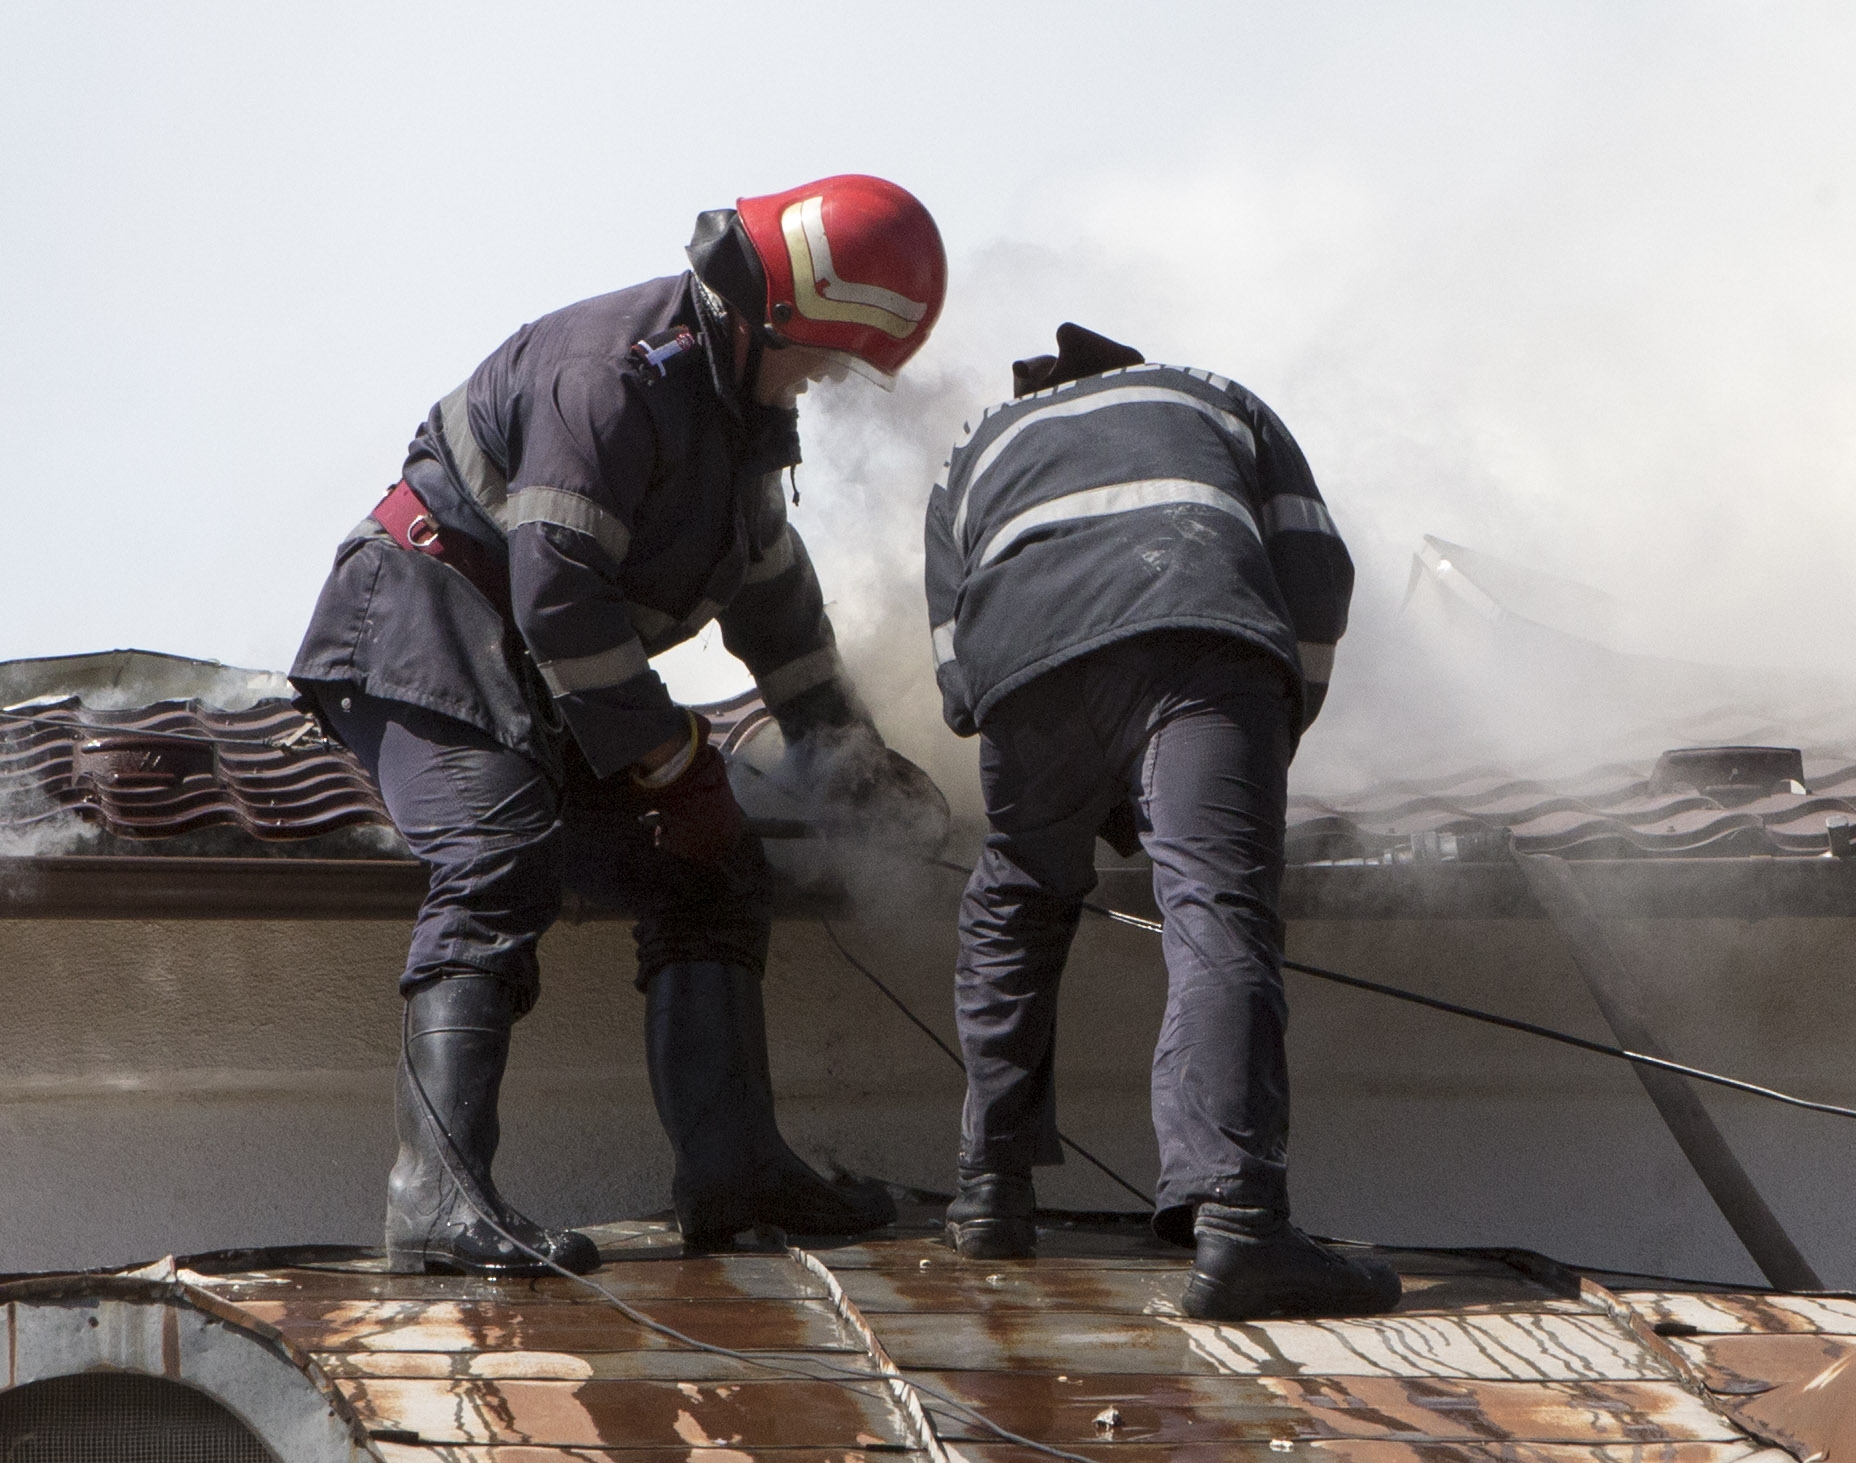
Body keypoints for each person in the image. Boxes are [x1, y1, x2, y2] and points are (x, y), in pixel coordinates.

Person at [290, 175, 948, 1275]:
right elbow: (560, 597)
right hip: (422, 625)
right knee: (497, 854)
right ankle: (436, 1202)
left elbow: (773, 602)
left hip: (537, 671)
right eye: (824, 358)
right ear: (765, 319)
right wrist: (671, 763)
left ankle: (732, 1171)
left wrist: (850, 753)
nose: (829, 383)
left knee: (714, 867)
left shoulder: (739, 413)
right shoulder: (606, 381)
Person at [922, 324, 1400, 1320]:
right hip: (1198, 643)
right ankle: (1239, 1226)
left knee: (1014, 892)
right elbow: (1316, 573)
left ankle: (989, 1194)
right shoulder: (1211, 395)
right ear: (1124, 364)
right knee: (1216, 910)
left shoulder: (976, 448)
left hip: (1026, 673)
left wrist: (1074, 770)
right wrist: (1271, 733)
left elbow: (955, 664)